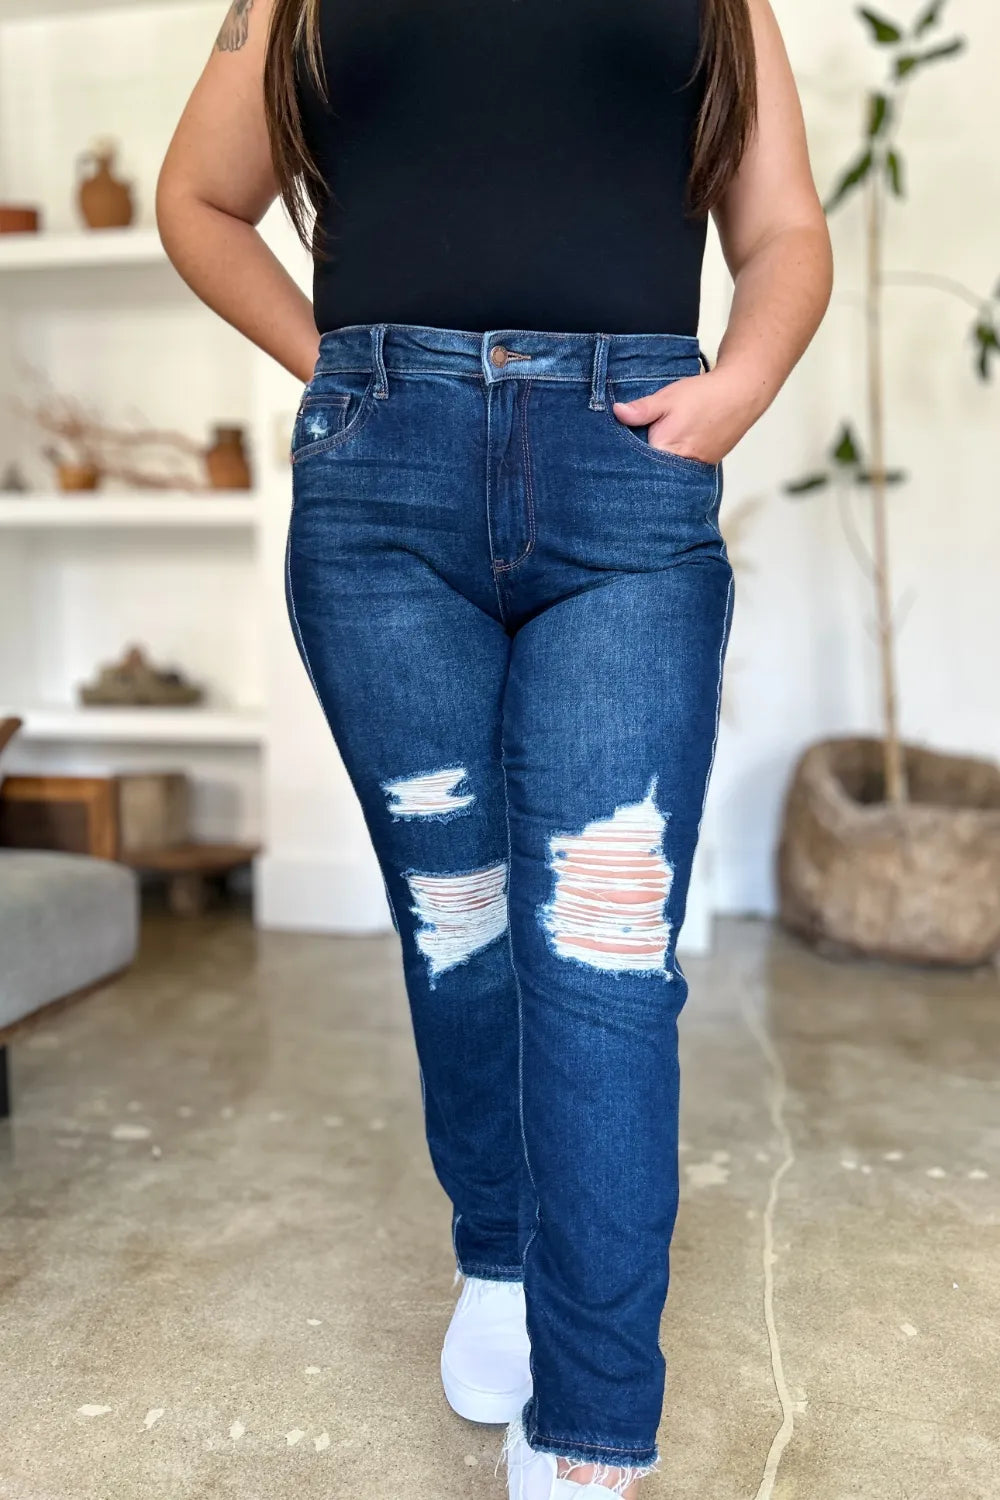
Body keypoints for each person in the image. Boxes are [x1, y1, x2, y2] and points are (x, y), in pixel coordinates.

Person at [157, 1, 831, 1493]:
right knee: (457, 920)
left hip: (626, 485)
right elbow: (195, 202)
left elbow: (781, 227)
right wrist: (335, 372)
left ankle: (594, 1426)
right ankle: (505, 1257)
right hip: (384, 491)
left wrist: (742, 388)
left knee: (599, 942)